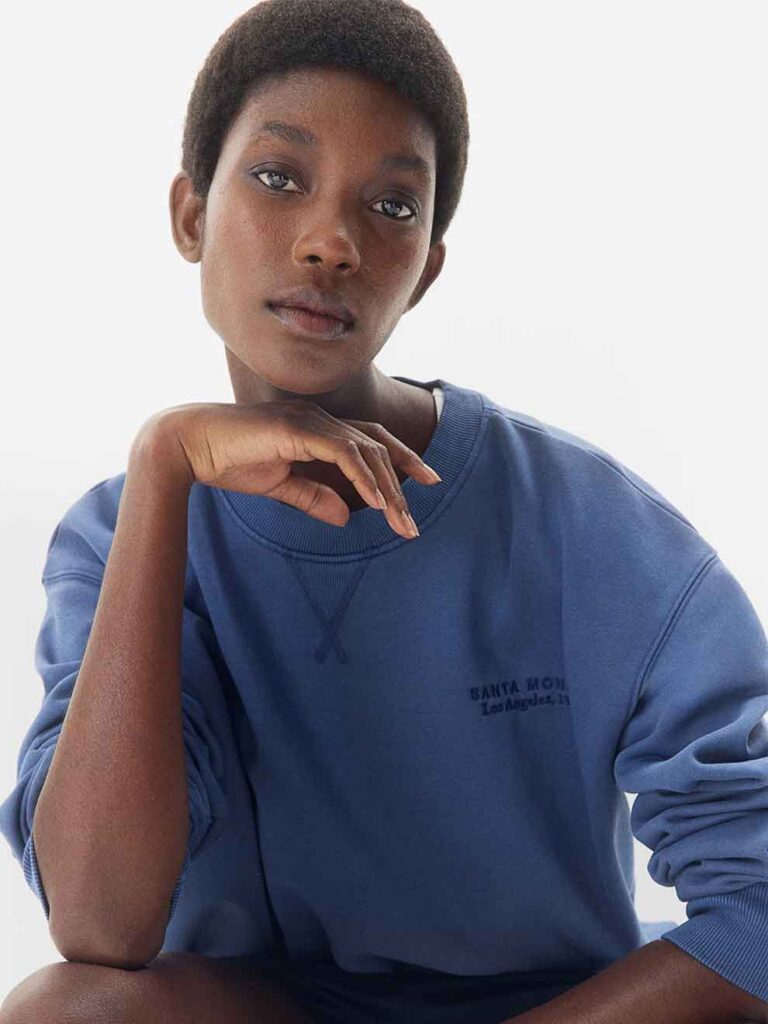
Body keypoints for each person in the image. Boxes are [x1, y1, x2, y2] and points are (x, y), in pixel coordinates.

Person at [1, 1, 767, 1022]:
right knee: (61, 1011)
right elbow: (101, 924)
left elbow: (757, 907)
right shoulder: (123, 535)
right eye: (279, 178)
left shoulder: (590, 528)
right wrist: (163, 462)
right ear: (190, 215)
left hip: (549, 1008)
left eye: (392, 205)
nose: (331, 243)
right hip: (265, 1006)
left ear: (427, 267)